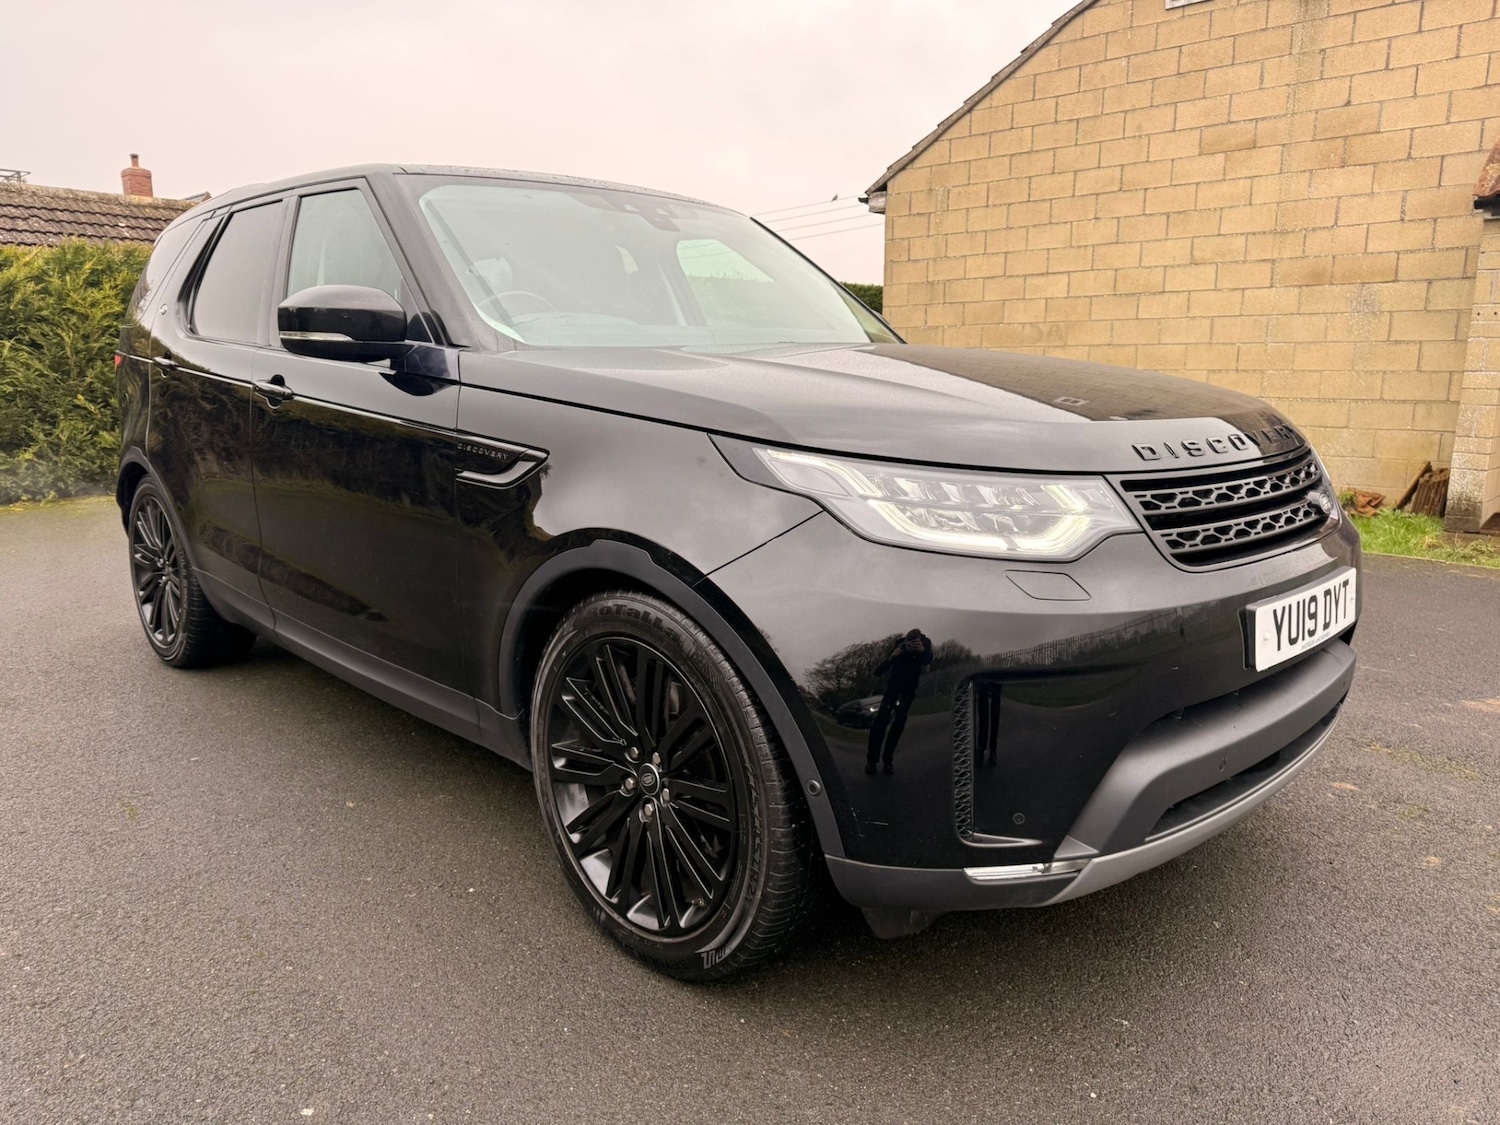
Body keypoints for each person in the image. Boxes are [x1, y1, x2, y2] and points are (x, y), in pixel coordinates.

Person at [865, 628, 933, 775]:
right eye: (909, 642)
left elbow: (928, 660)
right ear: (905, 640)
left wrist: (922, 651)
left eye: (914, 642)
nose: (911, 645)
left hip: (908, 691)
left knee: (898, 725)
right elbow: (879, 671)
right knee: (880, 723)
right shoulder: (899, 644)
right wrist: (891, 657)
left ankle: (888, 760)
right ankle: (871, 761)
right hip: (893, 688)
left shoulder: (925, 643)